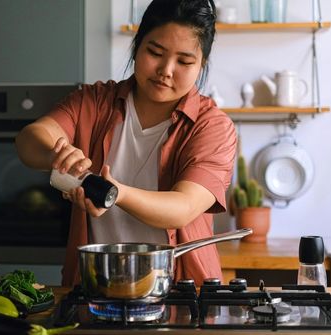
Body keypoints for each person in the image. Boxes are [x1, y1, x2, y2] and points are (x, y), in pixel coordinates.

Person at [16, 0, 236, 286]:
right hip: (95, 286)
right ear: (137, 45)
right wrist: (58, 156)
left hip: (180, 292)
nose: (166, 70)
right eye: (155, 52)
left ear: (201, 65)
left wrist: (113, 193)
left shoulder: (212, 127)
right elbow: (29, 141)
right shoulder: (94, 101)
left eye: (184, 61)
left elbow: (183, 208)